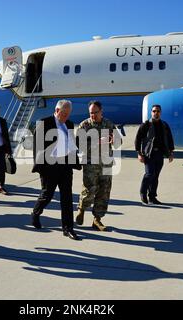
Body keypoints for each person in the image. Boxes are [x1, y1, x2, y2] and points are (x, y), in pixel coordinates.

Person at [31, 100, 82, 240]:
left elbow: (71, 145)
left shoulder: (69, 124)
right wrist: (40, 167)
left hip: (65, 166)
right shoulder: (44, 122)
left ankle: (68, 228)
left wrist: (76, 159)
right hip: (49, 166)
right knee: (47, 195)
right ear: (57, 110)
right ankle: (36, 213)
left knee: (67, 198)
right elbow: (37, 147)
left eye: (68, 114)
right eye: (63, 114)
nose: (66, 117)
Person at [76, 100, 120, 231]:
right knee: (89, 190)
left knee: (104, 192)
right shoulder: (84, 125)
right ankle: (82, 209)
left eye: (95, 112)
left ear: (101, 112)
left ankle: (97, 220)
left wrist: (115, 140)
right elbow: (79, 144)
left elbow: (118, 141)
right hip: (91, 165)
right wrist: (96, 142)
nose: (93, 115)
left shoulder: (108, 123)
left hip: (106, 164)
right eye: (91, 113)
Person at [134, 104, 174, 205]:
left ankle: (152, 197)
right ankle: (143, 192)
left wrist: (171, 153)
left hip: (160, 154)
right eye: (154, 111)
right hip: (148, 154)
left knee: (156, 176)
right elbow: (138, 139)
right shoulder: (146, 125)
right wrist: (139, 153)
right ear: (151, 112)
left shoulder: (164, 125)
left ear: (160, 113)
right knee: (149, 174)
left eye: (158, 111)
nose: (156, 113)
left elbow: (169, 139)